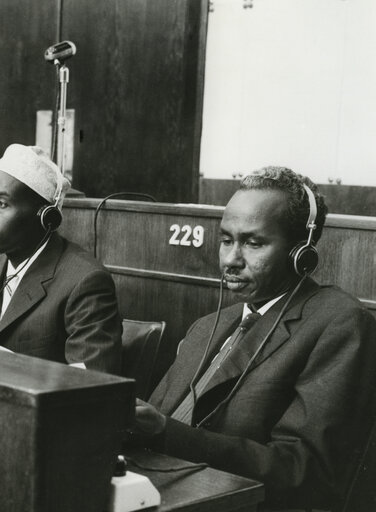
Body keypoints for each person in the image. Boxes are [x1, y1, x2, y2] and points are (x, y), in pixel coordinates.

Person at [130, 166, 376, 511]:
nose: (230, 260)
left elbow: (302, 471)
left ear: (301, 254)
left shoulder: (341, 325)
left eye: (253, 243)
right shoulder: (208, 326)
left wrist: (164, 432)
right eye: (226, 240)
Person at [0, 143, 122, 374]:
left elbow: (90, 383)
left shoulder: (85, 281)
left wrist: (15, 369)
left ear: (46, 217)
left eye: (2, 203)